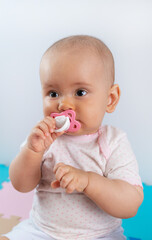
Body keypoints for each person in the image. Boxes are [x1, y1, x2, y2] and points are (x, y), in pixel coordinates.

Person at [1, 35, 143, 240]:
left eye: (80, 92)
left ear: (110, 99)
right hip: (42, 231)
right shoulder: (44, 138)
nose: (63, 105)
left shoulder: (113, 142)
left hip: (99, 235)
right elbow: (21, 185)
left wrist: (88, 181)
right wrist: (32, 151)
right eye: (53, 93)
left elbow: (130, 204)